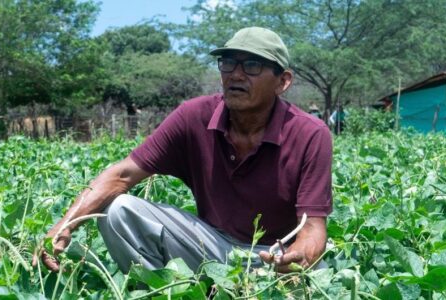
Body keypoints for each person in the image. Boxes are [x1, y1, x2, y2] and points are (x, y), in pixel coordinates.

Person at [39, 27, 332, 274]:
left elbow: (313, 228)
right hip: (210, 245)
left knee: (312, 273)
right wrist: (66, 224)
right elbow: (122, 175)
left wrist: (300, 256)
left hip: (273, 256)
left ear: (283, 81)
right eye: (228, 63)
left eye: (252, 66)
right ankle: (170, 291)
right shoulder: (194, 116)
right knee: (118, 211)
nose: (236, 75)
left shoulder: (310, 134)